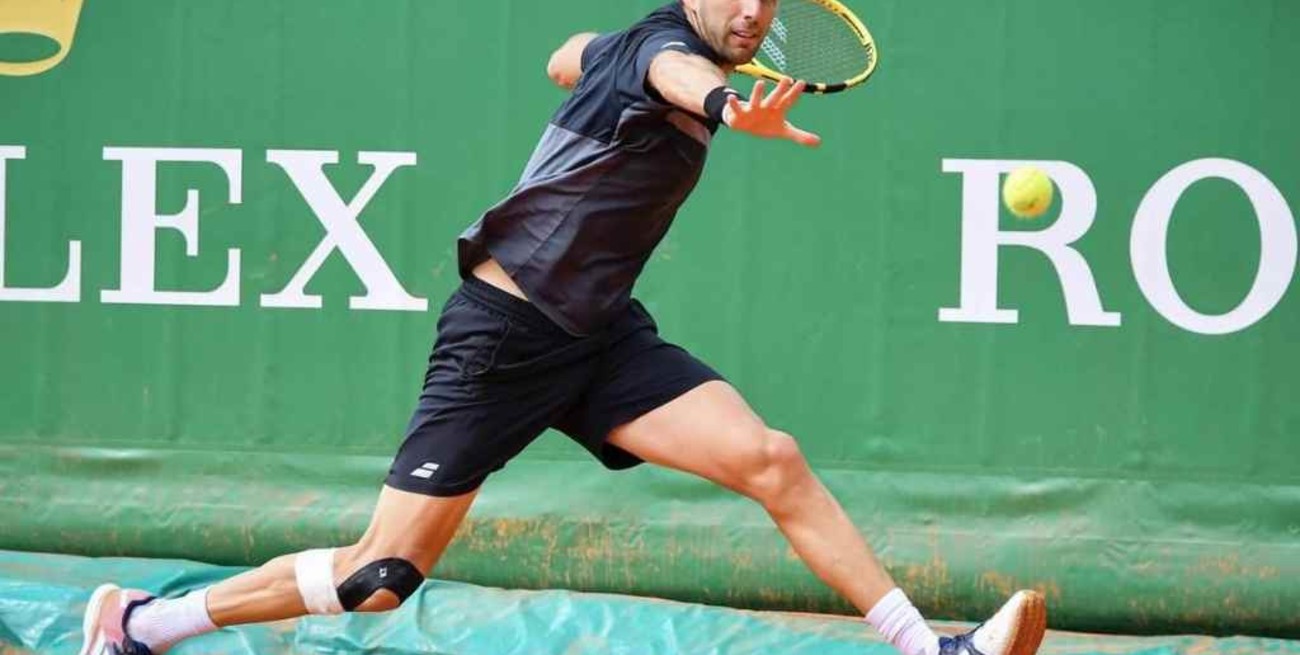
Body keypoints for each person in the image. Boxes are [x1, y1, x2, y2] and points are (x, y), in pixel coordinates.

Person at [79, 1, 1046, 654]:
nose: (755, 12)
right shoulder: (672, 54)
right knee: (381, 576)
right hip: (504, 333)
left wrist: (592, 63)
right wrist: (723, 107)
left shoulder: (631, 43)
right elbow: (671, 73)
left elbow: (571, 53)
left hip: (600, 334)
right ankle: (142, 624)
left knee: (771, 458)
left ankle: (933, 648)